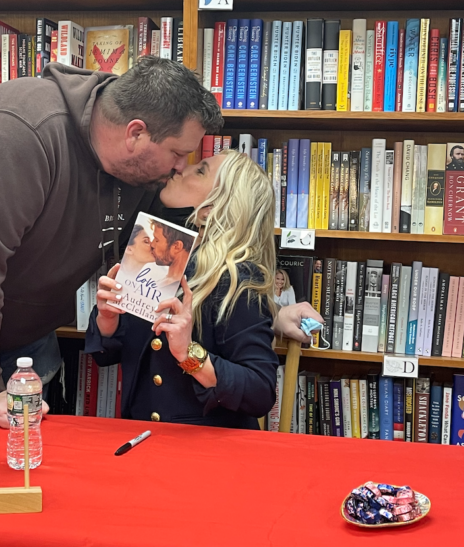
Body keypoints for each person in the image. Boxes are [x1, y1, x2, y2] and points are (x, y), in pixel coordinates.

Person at [0, 56, 223, 428]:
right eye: (178, 154)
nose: (181, 167)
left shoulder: (139, 170)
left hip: (23, 323)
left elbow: (165, 250)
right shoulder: (18, 133)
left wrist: (266, 311)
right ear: (135, 133)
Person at [85, 150, 322, 429]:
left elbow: (260, 392)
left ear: (212, 207)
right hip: (143, 441)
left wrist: (190, 354)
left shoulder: (237, 279)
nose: (181, 169)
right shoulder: (155, 251)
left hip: (208, 454)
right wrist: (108, 319)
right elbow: (107, 355)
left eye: (200, 171)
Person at [148, 219, 194, 294]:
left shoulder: (189, 287)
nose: (152, 245)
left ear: (177, 246)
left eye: (156, 240)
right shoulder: (159, 283)